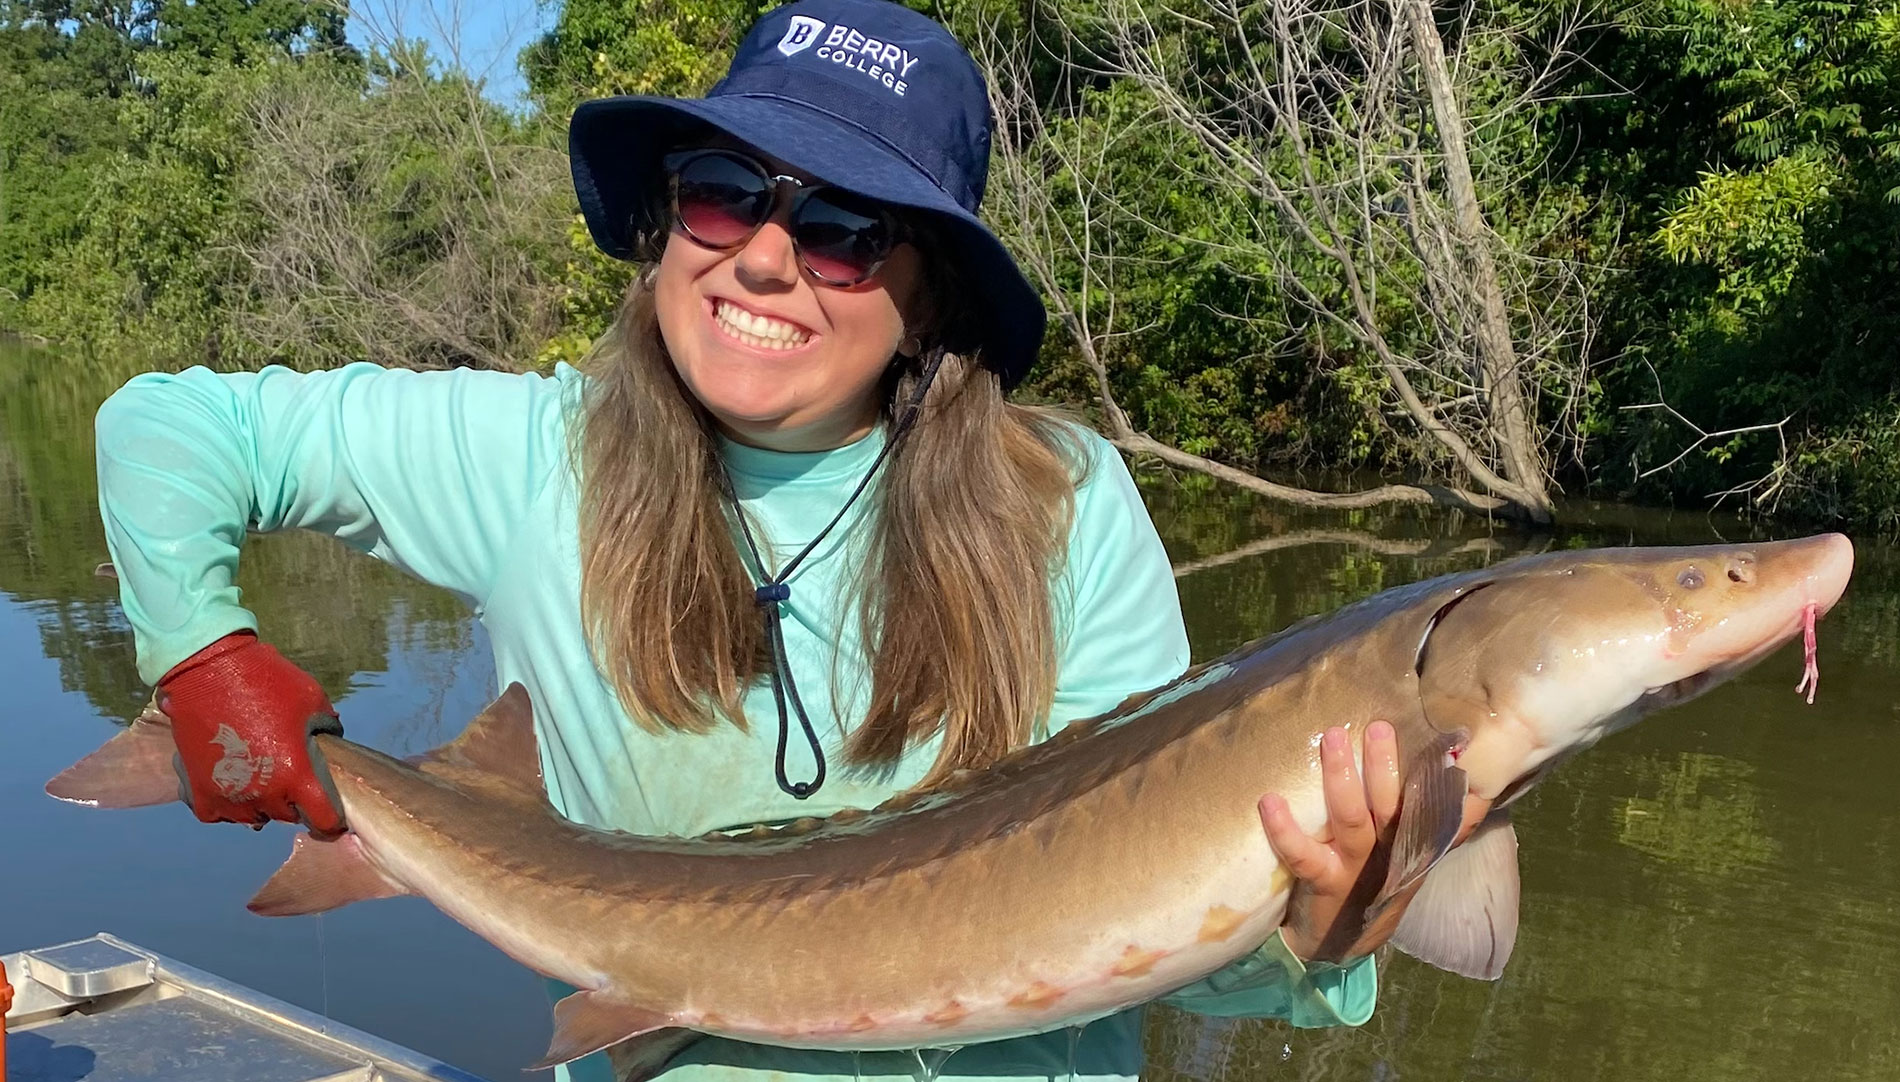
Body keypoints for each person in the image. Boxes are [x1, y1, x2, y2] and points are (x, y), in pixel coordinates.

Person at [93, 2, 1467, 1080]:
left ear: (927, 293)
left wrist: (1317, 914)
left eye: (844, 230)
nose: (762, 255)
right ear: (666, 219)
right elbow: (168, 430)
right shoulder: (535, 454)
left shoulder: (1064, 500)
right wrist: (202, 649)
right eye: (721, 192)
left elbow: (1167, 955)